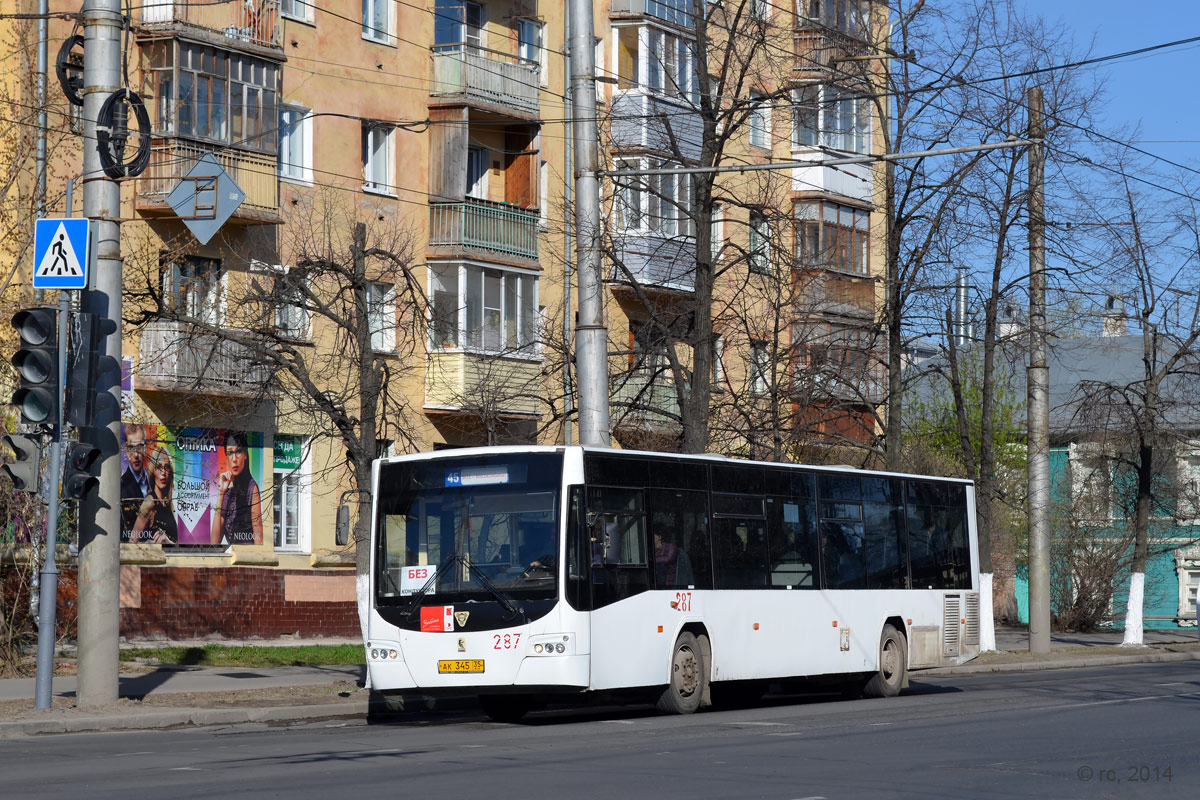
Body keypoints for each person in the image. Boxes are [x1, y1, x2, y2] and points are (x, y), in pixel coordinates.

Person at [211, 431, 263, 545]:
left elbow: (259, 541)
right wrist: (221, 493)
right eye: (230, 453)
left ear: (245, 454)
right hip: (230, 558)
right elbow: (214, 542)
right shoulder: (227, 490)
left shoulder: (252, 488)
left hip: (247, 558)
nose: (234, 459)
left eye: (238, 451)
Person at [131, 448, 178, 544]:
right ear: (153, 471)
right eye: (158, 467)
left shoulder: (168, 503)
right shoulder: (150, 502)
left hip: (171, 558)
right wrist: (147, 545)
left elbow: (173, 542)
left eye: (167, 467)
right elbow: (132, 542)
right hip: (154, 558)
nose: (163, 472)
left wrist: (168, 543)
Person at [120, 425, 151, 540]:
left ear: (146, 448)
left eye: (139, 447)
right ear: (127, 452)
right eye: (132, 448)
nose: (136, 455)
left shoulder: (155, 481)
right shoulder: (121, 487)